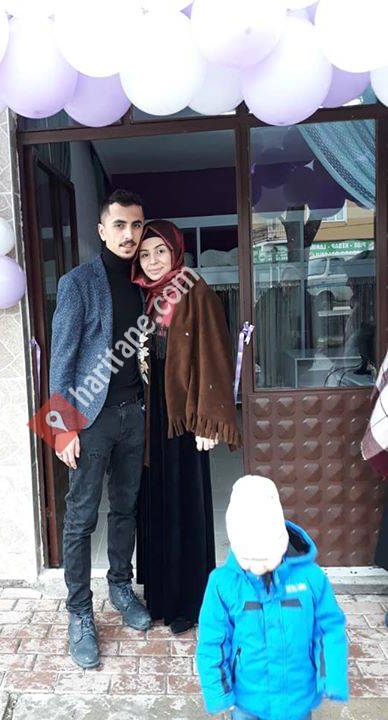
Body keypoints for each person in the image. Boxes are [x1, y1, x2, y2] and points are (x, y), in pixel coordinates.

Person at [49, 189, 151, 670]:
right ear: (102, 229)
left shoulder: (144, 281)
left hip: (134, 414)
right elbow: (61, 360)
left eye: (136, 225)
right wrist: (60, 429)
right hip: (90, 421)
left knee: (126, 508)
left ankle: (120, 588)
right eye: (120, 225)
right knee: (81, 518)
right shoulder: (78, 283)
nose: (129, 234)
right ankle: (79, 613)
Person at [131, 220, 240, 634]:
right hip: (153, 418)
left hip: (186, 416)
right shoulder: (145, 297)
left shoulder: (196, 292)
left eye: (160, 251)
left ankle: (190, 604)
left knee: (186, 504)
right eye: (145, 254)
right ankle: (160, 599)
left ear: (176, 252)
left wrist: (208, 419)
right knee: (157, 503)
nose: (153, 261)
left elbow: (215, 353)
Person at [197, 475, 349, 720]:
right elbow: (213, 642)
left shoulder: (311, 578)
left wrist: (331, 677)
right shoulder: (222, 583)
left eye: (265, 557)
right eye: (250, 559)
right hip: (247, 700)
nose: (258, 567)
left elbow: (328, 629)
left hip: (297, 699)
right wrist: (218, 694)